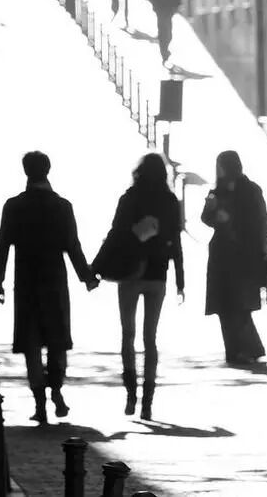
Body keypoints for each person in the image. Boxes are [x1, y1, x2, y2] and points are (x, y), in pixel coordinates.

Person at [0, 151, 99, 423]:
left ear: (25, 172)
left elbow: (3, 244)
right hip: (54, 282)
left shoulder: (14, 206)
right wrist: (87, 277)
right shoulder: (62, 206)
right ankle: (57, 390)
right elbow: (72, 246)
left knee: (31, 344)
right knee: (56, 340)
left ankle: (39, 402)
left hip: (26, 282)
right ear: (48, 171)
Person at [92, 153, 184, 421]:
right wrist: (180, 280)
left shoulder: (129, 198)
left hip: (130, 272)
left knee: (128, 334)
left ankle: (131, 393)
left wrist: (95, 267)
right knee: (150, 338)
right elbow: (176, 241)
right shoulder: (170, 201)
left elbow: (115, 234)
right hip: (158, 274)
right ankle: (148, 401)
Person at [201, 151, 267, 365]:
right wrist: (213, 212)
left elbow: (260, 221)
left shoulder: (250, 190)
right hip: (221, 255)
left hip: (244, 254)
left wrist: (263, 249)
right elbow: (206, 218)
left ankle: (249, 349)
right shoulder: (217, 191)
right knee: (224, 305)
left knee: (241, 304)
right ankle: (234, 351)